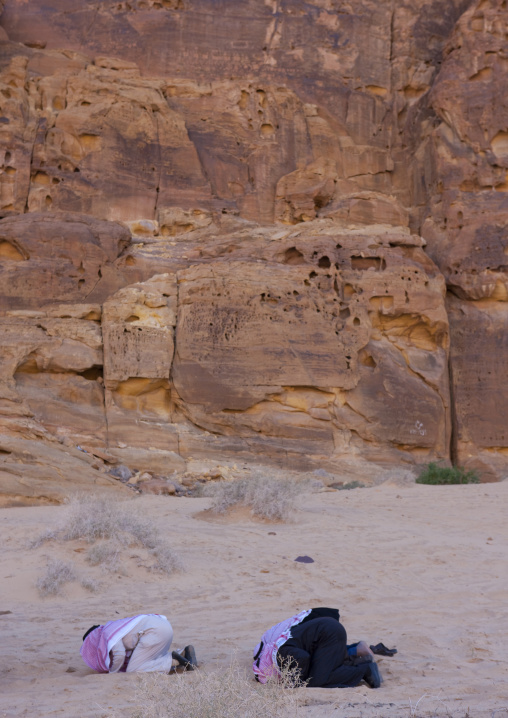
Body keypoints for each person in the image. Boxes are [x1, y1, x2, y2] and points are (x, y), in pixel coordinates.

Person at [252, 607, 381, 688]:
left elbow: (303, 657)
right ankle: (357, 659)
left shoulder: (282, 652)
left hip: (328, 633)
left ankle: (365, 670)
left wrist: (296, 682)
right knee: (320, 669)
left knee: (316, 680)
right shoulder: (276, 645)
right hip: (327, 631)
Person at [80, 613, 197, 673]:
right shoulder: (113, 627)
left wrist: (113, 673)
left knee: (133, 670)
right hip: (165, 627)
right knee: (148, 659)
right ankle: (182, 653)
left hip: (153, 632)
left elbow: (119, 653)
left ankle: (173, 660)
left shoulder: (106, 634)